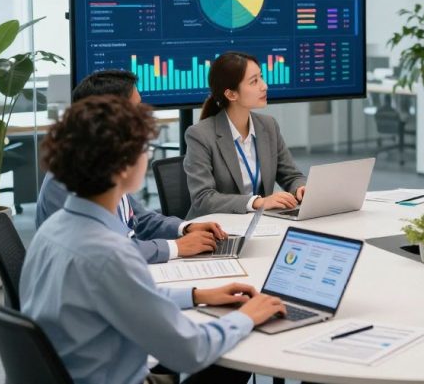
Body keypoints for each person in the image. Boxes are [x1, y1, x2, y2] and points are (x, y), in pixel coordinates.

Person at [22, 96, 287, 384]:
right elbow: (190, 352)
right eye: (144, 149)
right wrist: (247, 316)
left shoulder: (51, 231)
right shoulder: (109, 254)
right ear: (124, 167)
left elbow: (131, 295)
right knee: (235, 357)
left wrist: (198, 295)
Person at [35, 70, 222, 262]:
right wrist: (176, 247)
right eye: (137, 108)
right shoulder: (72, 180)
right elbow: (108, 251)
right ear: (113, 116)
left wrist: (185, 228)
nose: (143, 116)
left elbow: (138, 220)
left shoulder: (103, 164)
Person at [184, 52, 307, 218]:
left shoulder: (268, 126)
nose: (264, 86)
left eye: (261, 77)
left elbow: (291, 176)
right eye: (254, 81)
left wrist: (300, 188)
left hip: (261, 223)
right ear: (231, 94)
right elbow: (203, 199)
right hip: (217, 229)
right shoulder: (200, 135)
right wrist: (257, 202)